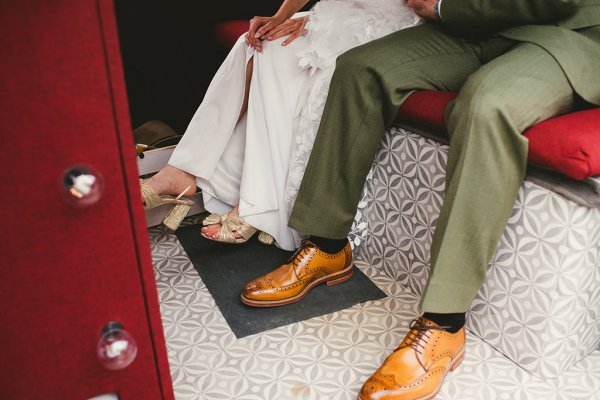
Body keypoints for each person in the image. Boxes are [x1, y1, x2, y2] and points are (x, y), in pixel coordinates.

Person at [240, 0, 600, 398]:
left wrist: (445, 7)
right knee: (360, 68)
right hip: (478, 29)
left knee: (485, 105)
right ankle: (327, 247)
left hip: (566, 33)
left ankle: (444, 324)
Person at [141, 0, 419, 250]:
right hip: (341, 11)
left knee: (292, 62)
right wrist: (280, 16)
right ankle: (182, 169)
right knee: (256, 44)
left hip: (390, 26)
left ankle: (256, 203)